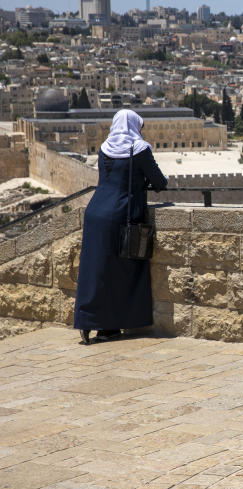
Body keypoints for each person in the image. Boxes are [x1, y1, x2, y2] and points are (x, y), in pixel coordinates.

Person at [74, 109, 167, 344]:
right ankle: (111, 326)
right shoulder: (140, 149)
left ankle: (88, 322)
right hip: (121, 215)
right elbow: (160, 182)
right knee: (121, 273)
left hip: (95, 213)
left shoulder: (105, 149)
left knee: (94, 271)